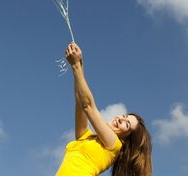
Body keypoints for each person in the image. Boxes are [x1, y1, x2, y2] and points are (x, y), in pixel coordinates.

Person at [56, 42, 152, 176]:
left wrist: (76, 65)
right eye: (124, 117)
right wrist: (79, 66)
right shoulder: (85, 136)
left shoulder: (114, 146)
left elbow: (88, 106)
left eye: (127, 124)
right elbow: (80, 102)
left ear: (126, 139)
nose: (120, 119)